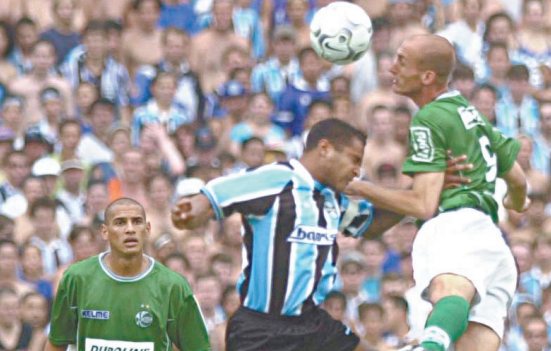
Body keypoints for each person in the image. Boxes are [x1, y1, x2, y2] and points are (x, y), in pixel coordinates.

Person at [172, 118, 471, 351]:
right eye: (353, 159)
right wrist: (194, 208)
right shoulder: (276, 179)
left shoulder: (330, 199)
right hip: (261, 329)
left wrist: (424, 192)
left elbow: (373, 225)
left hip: (312, 322)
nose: (356, 170)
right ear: (325, 149)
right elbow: (219, 194)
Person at [346, 34, 530, 351]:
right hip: (491, 241)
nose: (392, 68)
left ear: (427, 76)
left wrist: (357, 185)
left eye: (402, 61)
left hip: (455, 228)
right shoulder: (471, 114)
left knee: (449, 291)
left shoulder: (428, 118)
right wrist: (514, 201)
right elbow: (517, 178)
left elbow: (423, 204)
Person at [45, 198, 211, 351]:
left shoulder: (172, 285)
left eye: (137, 222)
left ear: (147, 230)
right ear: (105, 232)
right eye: (120, 223)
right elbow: (56, 343)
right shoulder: (76, 278)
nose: (130, 229)